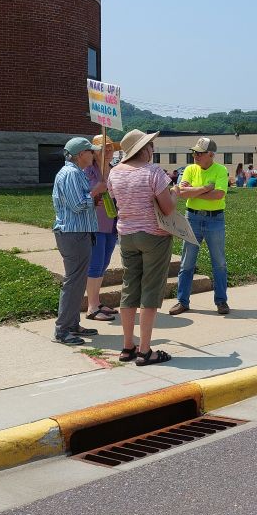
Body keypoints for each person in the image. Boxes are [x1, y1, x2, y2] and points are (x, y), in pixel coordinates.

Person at [107, 129, 175, 366]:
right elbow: (168, 209)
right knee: (150, 291)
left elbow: (115, 200)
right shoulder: (154, 172)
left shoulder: (114, 172)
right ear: (144, 149)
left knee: (129, 288)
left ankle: (128, 346)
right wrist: (174, 194)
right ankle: (145, 351)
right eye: (150, 146)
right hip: (154, 235)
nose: (152, 149)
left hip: (126, 234)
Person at [170, 137, 230, 316]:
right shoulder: (189, 169)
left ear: (211, 154)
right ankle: (182, 301)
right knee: (186, 263)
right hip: (192, 218)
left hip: (215, 219)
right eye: (194, 152)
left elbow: (218, 195)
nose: (195, 156)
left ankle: (221, 301)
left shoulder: (221, 169)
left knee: (219, 263)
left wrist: (193, 191)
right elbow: (180, 193)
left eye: (199, 153)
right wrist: (205, 188)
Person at [51, 136, 101, 345]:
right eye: (90, 151)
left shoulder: (75, 172)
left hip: (78, 233)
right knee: (73, 282)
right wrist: (96, 191)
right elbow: (77, 205)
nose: (93, 154)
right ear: (81, 154)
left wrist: (93, 199)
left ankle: (72, 324)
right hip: (73, 234)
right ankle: (62, 330)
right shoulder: (71, 173)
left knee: (78, 281)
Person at [83, 134, 120, 322]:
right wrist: (99, 187)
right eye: (105, 148)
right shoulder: (89, 171)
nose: (109, 150)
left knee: (104, 263)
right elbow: (87, 193)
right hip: (95, 223)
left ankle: (97, 302)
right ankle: (91, 306)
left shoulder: (114, 170)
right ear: (95, 152)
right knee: (96, 264)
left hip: (112, 223)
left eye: (111, 147)